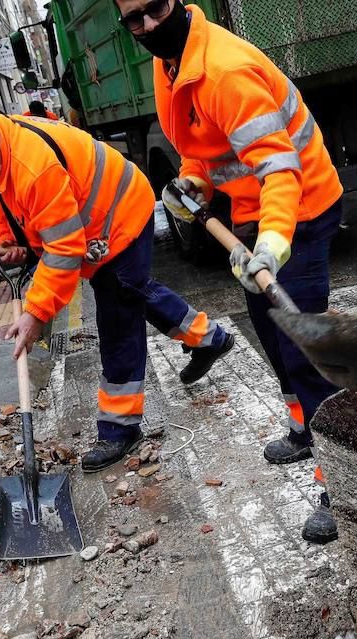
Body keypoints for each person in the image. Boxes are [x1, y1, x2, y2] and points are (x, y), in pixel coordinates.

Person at [119, 0, 343, 543]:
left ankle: (341, 483)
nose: (148, 25)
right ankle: (302, 427)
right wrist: (194, 183)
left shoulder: (225, 71)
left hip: (300, 209)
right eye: (134, 19)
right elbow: (202, 147)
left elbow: (280, 169)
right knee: (270, 333)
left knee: (305, 348)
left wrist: (271, 245)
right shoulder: (169, 63)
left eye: (154, 10)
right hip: (249, 210)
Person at [0, 102, 235, 471]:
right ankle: (211, 338)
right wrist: (6, 241)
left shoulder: (33, 165)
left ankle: (119, 428)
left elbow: (63, 250)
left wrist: (36, 313)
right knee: (131, 289)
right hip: (89, 226)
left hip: (119, 212)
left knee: (118, 318)